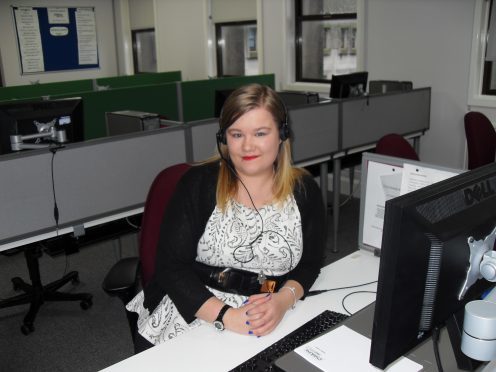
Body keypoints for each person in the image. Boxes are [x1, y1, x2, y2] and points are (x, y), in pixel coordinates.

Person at [126, 83, 326, 353]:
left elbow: (310, 263)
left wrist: (282, 300)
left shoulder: (303, 189)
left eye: (260, 133)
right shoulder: (198, 185)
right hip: (196, 307)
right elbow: (171, 267)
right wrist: (226, 316)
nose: (247, 146)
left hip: (268, 310)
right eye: (236, 134)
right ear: (224, 139)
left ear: (282, 134)